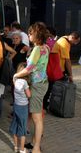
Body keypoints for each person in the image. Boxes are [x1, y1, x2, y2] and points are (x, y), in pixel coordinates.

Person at [13, 22, 50, 153]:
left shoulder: (36, 49)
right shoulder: (46, 47)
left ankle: (36, 148)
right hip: (43, 83)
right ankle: (35, 142)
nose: (28, 35)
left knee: (37, 118)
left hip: (37, 85)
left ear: (37, 34)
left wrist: (16, 75)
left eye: (30, 33)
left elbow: (29, 69)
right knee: (38, 116)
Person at [43, 31, 80, 110]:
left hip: (56, 68)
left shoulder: (64, 39)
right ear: (72, 38)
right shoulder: (64, 43)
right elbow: (67, 60)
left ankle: (48, 104)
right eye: (76, 41)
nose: (75, 44)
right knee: (52, 87)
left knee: (51, 87)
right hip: (57, 69)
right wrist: (70, 75)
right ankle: (46, 105)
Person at [10, 63, 31, 153]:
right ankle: (22, 149)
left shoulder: (15, 80)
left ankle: (16, 147)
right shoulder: (25, 83)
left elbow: (14, 78)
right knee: (22, 129)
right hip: (23, 107)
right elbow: (29, 95)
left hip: (16, 106)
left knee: (15, 126)